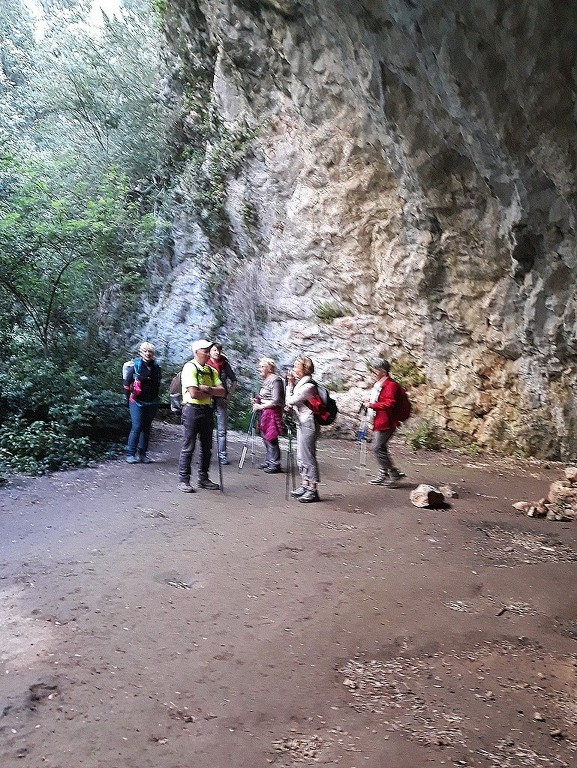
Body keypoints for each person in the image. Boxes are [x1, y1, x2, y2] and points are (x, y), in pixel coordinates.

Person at [177, 339, 225, 493]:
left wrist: (207, 389)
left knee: (207, 447)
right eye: (205, 350)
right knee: (188, 446)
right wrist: (211, 391)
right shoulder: (189, 367)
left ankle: (203, 478)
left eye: (208, 350)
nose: (208, 353)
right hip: (191, 410)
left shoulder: (211, 370)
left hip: (206, 410)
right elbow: (194, 393)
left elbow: (223, 391)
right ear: (196, 352)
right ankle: (184, 480)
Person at [363, 359, 406, 486]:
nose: (372, 373)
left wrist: (372, 405)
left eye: (374, 370)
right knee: (381, 447)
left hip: (387, 421)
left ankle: (393, 474)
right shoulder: (381, 384)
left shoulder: (390, 385)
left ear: (383, 371)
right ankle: (384, 474)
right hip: (380, 420)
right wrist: (371, 403)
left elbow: (390, 402)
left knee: (376, 447)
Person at [285, 356, 321, 503]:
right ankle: (305, 484)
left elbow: (291, 400)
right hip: (302, 422)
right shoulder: (302, 384)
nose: (294, 369)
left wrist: (289, 386)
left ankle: (313, 489)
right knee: (301, 455)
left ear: (304, 369)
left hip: (309, 423)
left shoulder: (309, 386)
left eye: (296, 366)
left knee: (308, 456)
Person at [123, 342, 161, 464]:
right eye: (145, 351)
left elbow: (158, 383)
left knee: (146, 428)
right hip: (136, 401)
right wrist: (127, 399)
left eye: (150, 351)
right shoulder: (135, 366)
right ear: (141, 353)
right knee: (137, 426)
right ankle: (130, 453)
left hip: (151, 402)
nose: (148, 354)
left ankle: (143, 454)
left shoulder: (156, 367)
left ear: (153, 353)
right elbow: (126, 384)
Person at [207, 343, 238, 465]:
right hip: (208, 399)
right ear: (210, 351)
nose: (217, 352)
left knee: (222, 430)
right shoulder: (205, 364)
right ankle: (205, 455)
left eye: (218, 350)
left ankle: (222, 455)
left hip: (221, 398)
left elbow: (234, 380)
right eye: (214, 350)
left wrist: (229, 395)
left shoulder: (224, 364)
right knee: (206, 428)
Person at [253, 358, 285, 473]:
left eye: (262, 366)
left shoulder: (276, 380)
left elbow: (277, 400)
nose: (259, 369)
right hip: (265, 412)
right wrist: (257, 401)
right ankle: (269, 460)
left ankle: (275, 464)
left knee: (271, 437)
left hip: (271, 413)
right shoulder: (267, 380)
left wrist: (260, 406)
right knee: (265, 436)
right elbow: (266, 397)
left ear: (269, 368)